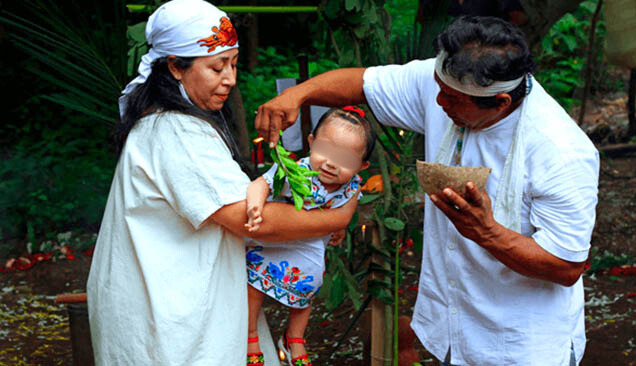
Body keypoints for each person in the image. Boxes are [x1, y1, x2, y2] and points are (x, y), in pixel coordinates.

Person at [254, 16, 599, 366]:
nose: (437, 102)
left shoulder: (561, 151)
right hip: (451, 329)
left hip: (520, 345)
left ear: (501, 104)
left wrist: (487, 233)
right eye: (437, 87)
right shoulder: (450, 81)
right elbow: (361, 83)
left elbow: (566, 266)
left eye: (450, 98)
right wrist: (298, 94)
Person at [85, 1, 357, 364]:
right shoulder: (176, 129)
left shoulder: (166, 122)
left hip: (168, 303)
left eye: (232, 64)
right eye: (216, 67)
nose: (229, 78)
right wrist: (335, 219)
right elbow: (250, 218)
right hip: (171, 318)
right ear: (175, 68)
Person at [245, 106, 375, 366]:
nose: (331, 163)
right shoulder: (295, 169)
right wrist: (255, 206)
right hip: (277, 239)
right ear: (311, 143)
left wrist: (338, 229)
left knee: (311, 283)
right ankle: (249, 334)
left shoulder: (351, 186)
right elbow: (262, 183)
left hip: (312, 245)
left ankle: (295, 336)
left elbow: (347, 212)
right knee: (255, 285)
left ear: (362, 166)